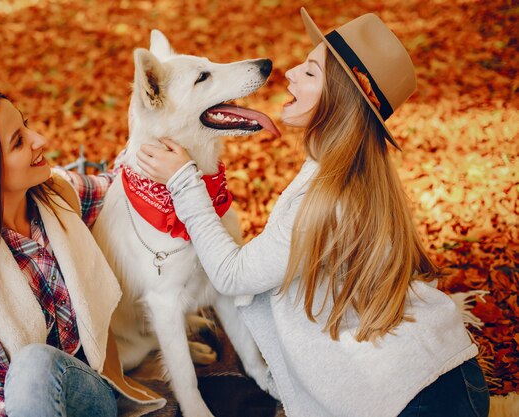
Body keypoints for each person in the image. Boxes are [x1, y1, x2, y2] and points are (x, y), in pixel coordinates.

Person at [135, 8, 490, 417]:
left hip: (414, 398)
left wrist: (183, 181)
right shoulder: (350, 168)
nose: (288, 75)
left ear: (340, 98)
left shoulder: (328, 196)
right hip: (439, 373)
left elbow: (231, 276)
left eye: (309, 72)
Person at [0, 89, 165, 417]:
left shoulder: (57, 196)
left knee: (34, 361)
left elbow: (118, 187)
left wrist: (156, 125)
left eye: (26, 126)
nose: (39, 139)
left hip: (81, 389)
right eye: (18, 141)